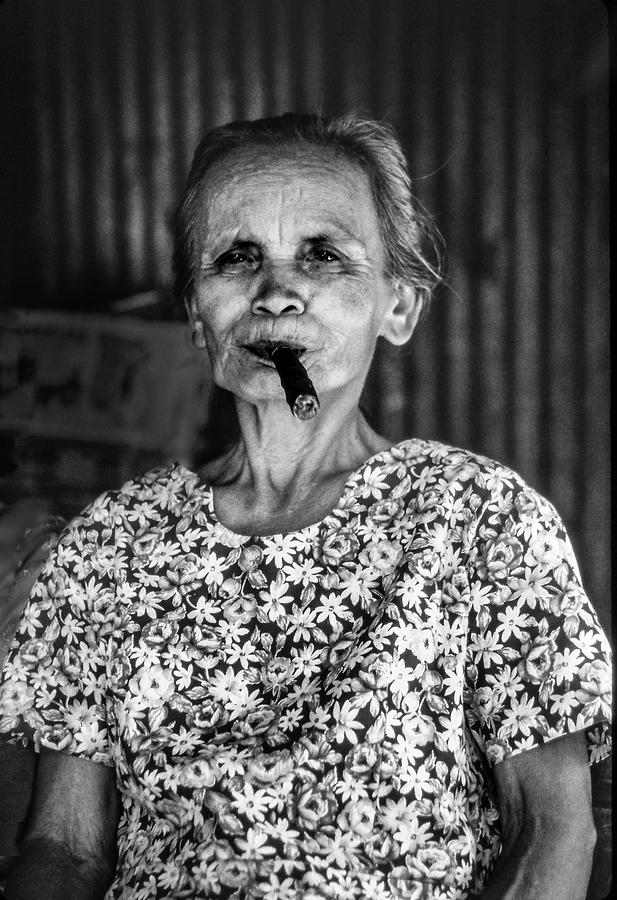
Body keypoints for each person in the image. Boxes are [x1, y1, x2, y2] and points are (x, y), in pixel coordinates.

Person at [0, 112, 611, 900]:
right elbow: (66, 849)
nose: (277, 293)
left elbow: (555, 832)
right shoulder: (111, 545)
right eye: (235, 257)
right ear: (197, 315)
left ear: (399, 306)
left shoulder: (477, 517)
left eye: (323, 255)